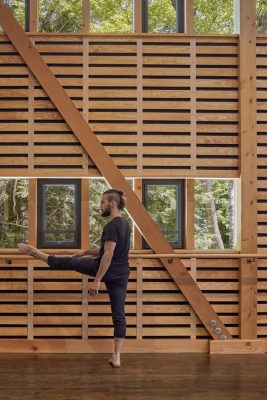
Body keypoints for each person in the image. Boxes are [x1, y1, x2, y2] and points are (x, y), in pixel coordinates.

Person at [18, 188, 131, 368]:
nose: (100, 205)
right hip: (122, 272)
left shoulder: (111, 226)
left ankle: (35, 252)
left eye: (102, 202)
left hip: (105, 269)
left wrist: (97, 280)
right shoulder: (125, 225)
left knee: (69, 262)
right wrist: (86, 251)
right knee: (119, 315)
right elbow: (110, 251)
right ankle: (116, 357)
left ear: (112, 203)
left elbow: (108, 255)